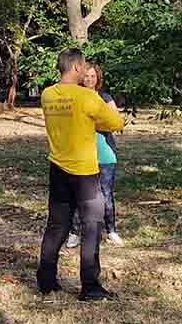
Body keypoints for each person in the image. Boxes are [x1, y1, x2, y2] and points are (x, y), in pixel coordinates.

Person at [37, 49, 125, 301]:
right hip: (85, 172)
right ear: (76, 67)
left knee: (56, 226)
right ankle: (90, 286)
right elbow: (115, 124)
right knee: (92, 227)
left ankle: (46, 281)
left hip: (57, 168)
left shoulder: (47, 95)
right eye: (83, 67)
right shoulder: (87, 97)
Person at [66, 63, 125, 248]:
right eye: (86, 76)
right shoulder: (75, 98)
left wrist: (92, 122)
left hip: (105, 154)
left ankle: (111, 231)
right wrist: (97, 120)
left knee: (106, 194)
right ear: (81, 78)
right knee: (79, 196)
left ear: (98, 78)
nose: (89, 79)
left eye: (93, 76)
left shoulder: (105, 97)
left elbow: (116, 122)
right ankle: (75, 232)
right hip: (82, 155)